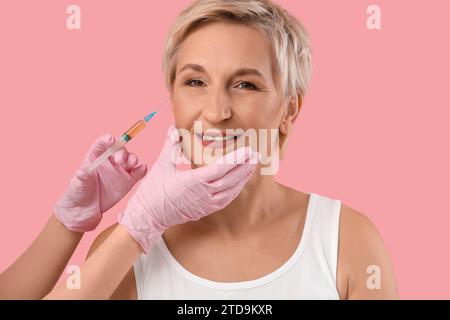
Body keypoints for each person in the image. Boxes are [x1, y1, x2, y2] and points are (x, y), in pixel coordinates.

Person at [84, 0, 399, 300]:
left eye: (245, 85)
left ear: (289, 110)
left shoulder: (346, 240)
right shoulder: (119, 254)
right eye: (195, 82)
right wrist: (134, 227)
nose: (216, 111)